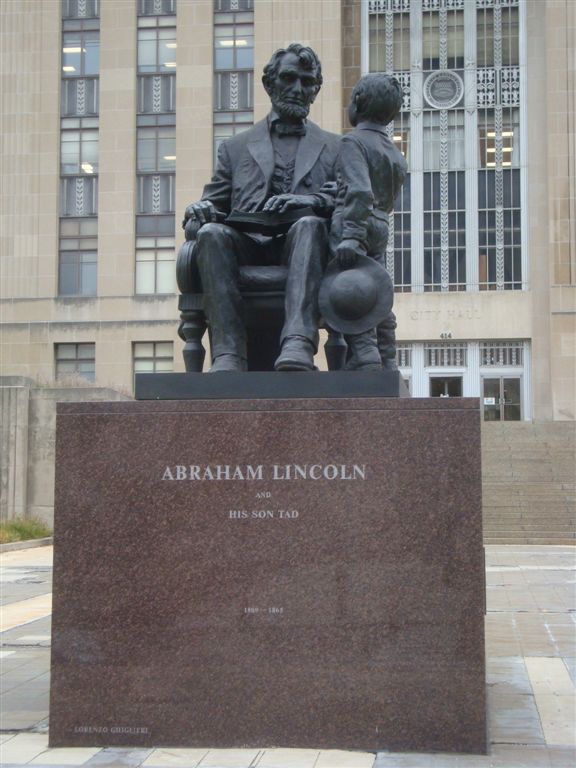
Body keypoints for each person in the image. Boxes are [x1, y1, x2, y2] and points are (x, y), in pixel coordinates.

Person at [183, 43, 340, 372]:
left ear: (315, 91)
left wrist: (312, 202)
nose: (298, 89)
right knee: (210, 234)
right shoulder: (235, 148)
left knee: (310, 226)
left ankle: (298, 343)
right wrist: (201, 210)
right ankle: (227, 354)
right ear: (270, 84)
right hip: (248, 245)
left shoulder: (335, 147)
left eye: (307, 82)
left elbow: (348, 200)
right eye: (289, 79)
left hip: (305, 247)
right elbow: (215, 201)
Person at [329, 73, 407, 370]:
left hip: (354, 224)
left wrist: (351, 234)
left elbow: (360, 191)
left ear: (358, 103)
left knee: (352, 287)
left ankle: (365, 354)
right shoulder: (395, 153)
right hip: (380, 225)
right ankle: (387, 357)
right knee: (377, 290)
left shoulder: (353, 142)